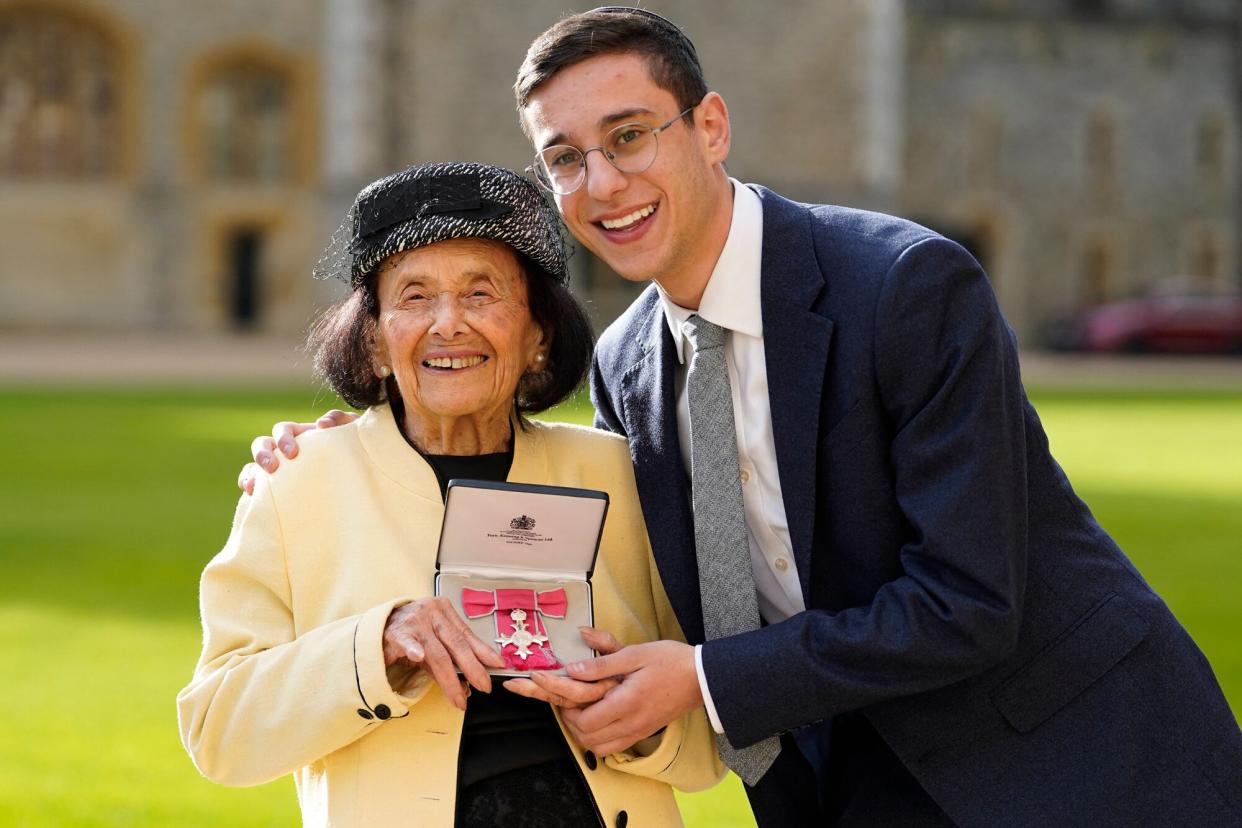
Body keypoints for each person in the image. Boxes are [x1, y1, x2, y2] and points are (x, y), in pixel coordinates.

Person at [243, 8, 1242, 827]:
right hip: (850, 781)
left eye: (630, 135)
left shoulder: (902, 285)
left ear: (710, 127)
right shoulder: (628, 366)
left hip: (1074, 763)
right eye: (568, 158)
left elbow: (970, 602)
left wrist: (705, 680)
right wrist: (355, 443)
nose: (605, 183)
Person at [178, 160, 723, 828]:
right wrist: (376, 643)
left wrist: (635, 721)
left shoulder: (621, 476)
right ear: (375, 340)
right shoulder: (298, 483)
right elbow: (218, 733)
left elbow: (705, 748)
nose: (448, 324)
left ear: (537, 337)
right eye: (413, 297)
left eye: (481, 294)